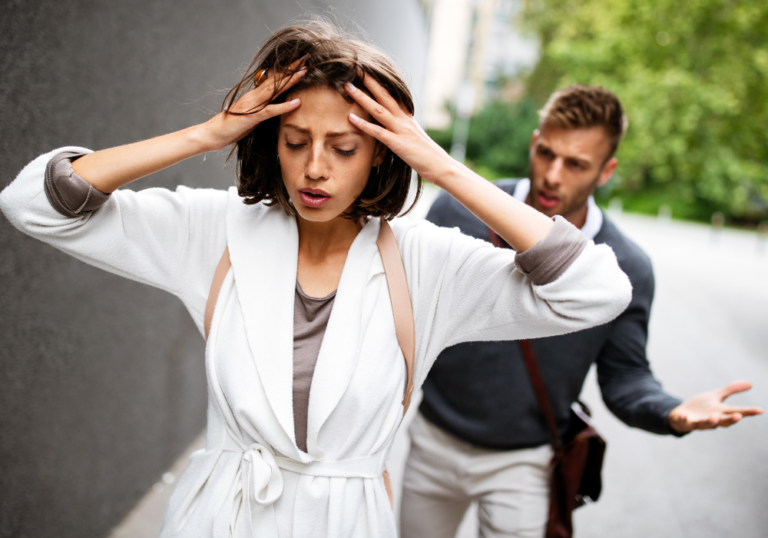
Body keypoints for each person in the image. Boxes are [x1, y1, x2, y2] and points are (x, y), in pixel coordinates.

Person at [0, 22, 633, 538]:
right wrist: (207, 134)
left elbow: (597, 291)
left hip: (346, 523)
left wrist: (443, 168)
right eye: (296, 140)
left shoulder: (426, 263)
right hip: (219, 518)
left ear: (384, 149)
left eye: (344, 148)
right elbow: (33, 202)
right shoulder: (218, 231)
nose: (315, 169)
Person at [399, 84, 764, 538]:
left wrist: (672, 412)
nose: (553, 175)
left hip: (525, 462)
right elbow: (405, 309)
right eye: (547, 153)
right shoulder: (459, 210)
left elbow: (625, 377)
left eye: (576, 164)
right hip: (432, 440)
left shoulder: (626, 267)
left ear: (606, 170)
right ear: (534, 142)